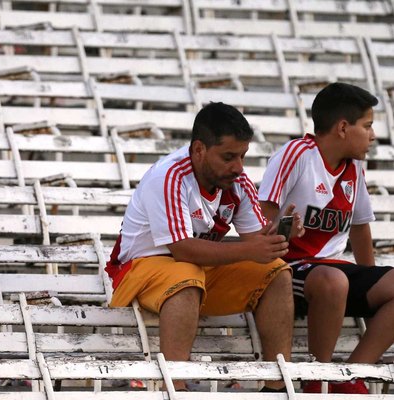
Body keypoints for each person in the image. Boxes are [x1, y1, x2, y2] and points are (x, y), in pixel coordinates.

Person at [105, 102, 298, 392]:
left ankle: (277, 387)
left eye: (243, 156)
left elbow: (257, 242)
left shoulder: (237, 181)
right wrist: (251, 249)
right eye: (229, 156)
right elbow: (183, 249)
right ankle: (175, 387)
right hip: (139, 268)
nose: (239, 167)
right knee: (186, 277)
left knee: (277, 273)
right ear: (198, 150)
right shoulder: (169, 175)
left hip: (195, 270)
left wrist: (279, 235)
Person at [259, 82, 394, 394]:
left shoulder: (354, 167)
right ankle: (316, 379)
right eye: (368, 126)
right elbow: (261, 219)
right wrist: (283, 228)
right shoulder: (296, 155)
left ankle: (351, 376)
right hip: (287, 269)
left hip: (333, 269)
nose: (373, 135)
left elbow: (360, 226)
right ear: (343, 128)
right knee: (334, 281)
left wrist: (373, 280)